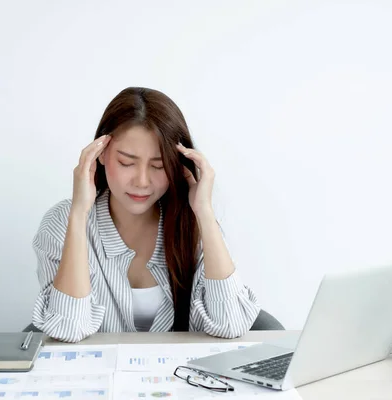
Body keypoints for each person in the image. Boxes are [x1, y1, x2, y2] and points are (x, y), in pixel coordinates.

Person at [31, 87, 260, 343]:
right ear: (100, 154)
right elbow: (68, 329)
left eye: (158, 166)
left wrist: (205, 214)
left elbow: (230, 324)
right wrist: (78, 214)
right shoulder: (62, 223)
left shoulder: (195, 222)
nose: (142, 181)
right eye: (127, 163)